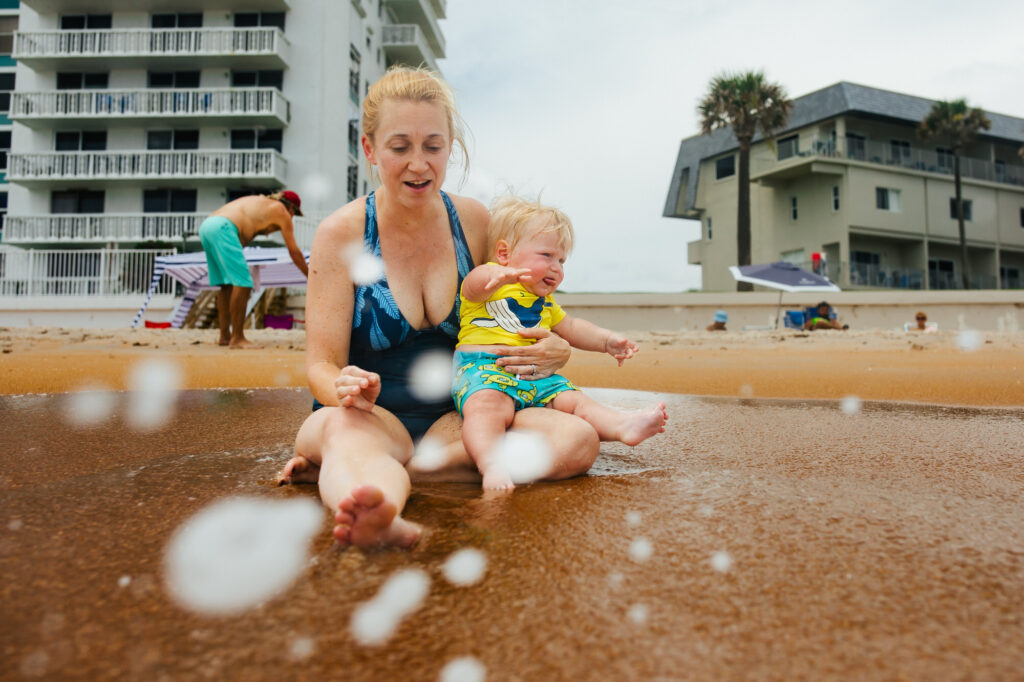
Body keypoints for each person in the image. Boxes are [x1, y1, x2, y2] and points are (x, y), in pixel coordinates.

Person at [278, 66, 601, 548]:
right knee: (345, 434)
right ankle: (381, 511)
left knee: (577, 441)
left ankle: (387, 473)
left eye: (433, 146)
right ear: (370, 149)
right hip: (372, 417)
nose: (418, 164)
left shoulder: (473, 221)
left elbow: (521, 305)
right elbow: (321, 365)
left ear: (450, 147)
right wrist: (343, 383)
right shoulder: (340, 234)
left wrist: (555, 347)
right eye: (399, 146)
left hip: (462, 418)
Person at [453, 196, 668, 490]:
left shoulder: (546, 303)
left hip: (537, 376)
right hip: (484, 372)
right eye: (546, 255)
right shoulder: (490, 283)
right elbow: (473, 286)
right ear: (503, 253)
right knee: (485, 409)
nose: (556, 267)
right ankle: (491, 464)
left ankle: (622, 426)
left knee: (576, 400)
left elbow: (573, 327)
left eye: (561, 260)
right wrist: (495, 274)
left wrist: (607, 341)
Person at [198, 191, 309, 349]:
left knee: (226, 285)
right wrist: (309, 276)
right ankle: (237, 338)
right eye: (295, 213)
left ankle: (224, 336)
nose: (292, 218)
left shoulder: (260, 202)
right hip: (224, 227)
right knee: (243, 283)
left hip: (207, 226)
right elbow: (294, 251)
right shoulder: (281, 211)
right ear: (291, 207)